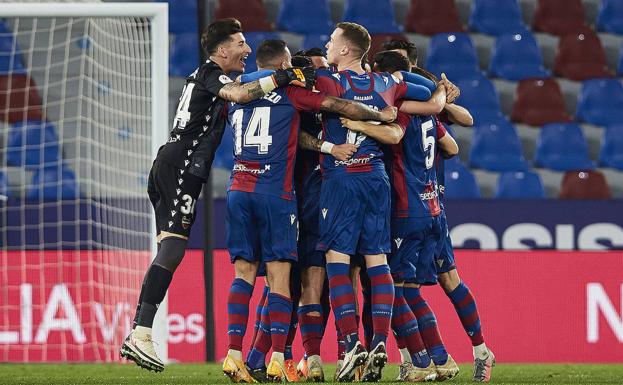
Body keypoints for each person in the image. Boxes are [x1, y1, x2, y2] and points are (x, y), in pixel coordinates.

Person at [119, 18, 316, 373]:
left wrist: (293, 67)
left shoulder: (212, 77)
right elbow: (241, 93)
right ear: (222, 49)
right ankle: (140, 330)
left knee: (171, 245)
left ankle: (141, 329)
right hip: (180, 166)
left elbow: (245, 86)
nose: (247, 50)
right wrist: (287, 76)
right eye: (241, 43)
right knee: (174, 248)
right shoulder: (211, 74)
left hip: (174, 165)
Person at [223, 39, 397, 383]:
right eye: (302, 69)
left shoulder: (236, 89)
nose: (310, 75)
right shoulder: (296, 93)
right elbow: (334, 107)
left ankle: (251, 355)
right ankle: (278, 357)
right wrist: (374, 117)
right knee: (293, 279)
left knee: (274, 277)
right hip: (289, 194)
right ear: (285, 66)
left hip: (243, 188)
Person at [386, 41, 496, 383]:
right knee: (442, 282)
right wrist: (439, 105)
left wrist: (439, 105)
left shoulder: (404, 102)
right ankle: (472, 351)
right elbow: (451, 145)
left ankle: (430, 358)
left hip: (409, 207)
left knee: (399, 288)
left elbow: (462, 123)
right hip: (433, 204)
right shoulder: (428, 100)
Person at [313, 22, 413, 382]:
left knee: (337, 260)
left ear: (345, 50)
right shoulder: (388, 84)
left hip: (342, 177)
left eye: (331, 41)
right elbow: (426, 92)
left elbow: (295, 88)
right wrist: (437, 98)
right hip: (376, 178)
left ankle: (352, 343)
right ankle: (380, 342)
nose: (327, 45)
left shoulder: (327, 81)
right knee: (377, 258)